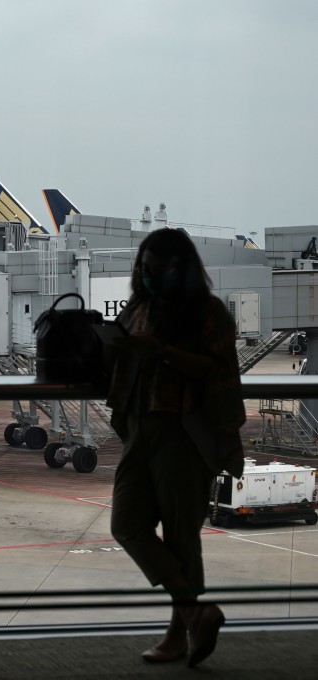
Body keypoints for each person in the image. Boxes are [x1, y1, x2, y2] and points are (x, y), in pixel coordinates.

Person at [107, 228, 245, 668]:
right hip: (138, 427)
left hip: (185, 433)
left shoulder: (209, 314)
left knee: (182, 536)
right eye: (142, 270)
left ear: (179, 268)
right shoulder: (137, 308)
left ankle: (177, 635)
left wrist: (162, 351)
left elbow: (218, 371)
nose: (146, 277)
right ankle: (195, 614)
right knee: (126, 525)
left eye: (155, 270)